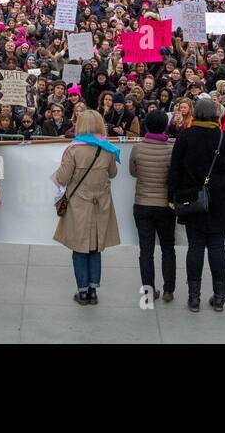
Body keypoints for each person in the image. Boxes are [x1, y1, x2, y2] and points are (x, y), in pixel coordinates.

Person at [169, 97, 225, 312]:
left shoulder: (185, 136)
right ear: (215, 115)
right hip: (219, 201)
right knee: (218, 248)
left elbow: (174, 169)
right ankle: (219, 297)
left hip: (192, 199)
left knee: (195, 248)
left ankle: (194, 298)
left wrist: (171, 196)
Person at [54, 109, 121, 306]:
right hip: (101, 203)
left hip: (78, 204)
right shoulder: (108, 149)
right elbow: (113, 173)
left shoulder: (73, 150)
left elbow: (62, 178)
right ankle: (93, 290)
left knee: (79, 248)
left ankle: (82, 291)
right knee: (95, 248)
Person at [129, 109, 176, 303]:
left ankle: (148, 291)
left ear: (146, 125)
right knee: (167, 248)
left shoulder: (138, 149)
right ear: (165, 125)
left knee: (146, 251)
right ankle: (168, 290)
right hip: (165, 204)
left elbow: (133, 172)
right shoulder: (170, 149)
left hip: (142, 203)